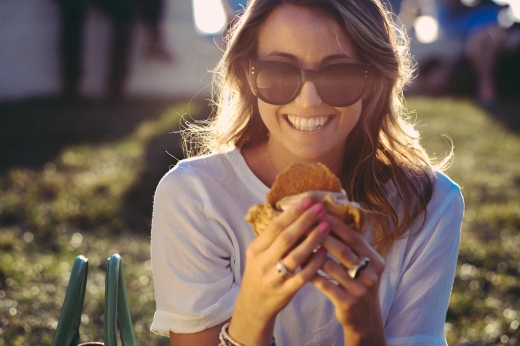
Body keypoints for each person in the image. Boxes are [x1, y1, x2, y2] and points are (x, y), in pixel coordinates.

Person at [150, 0, 464, 345]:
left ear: (374, 80)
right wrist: (254, 313)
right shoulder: (194, 198)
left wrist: (364, 330)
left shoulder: (429, 203)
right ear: (246, 75)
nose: (309, 100)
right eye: (280, 70)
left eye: (338, 72)